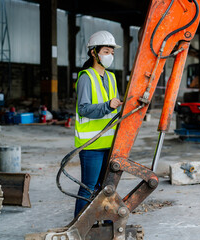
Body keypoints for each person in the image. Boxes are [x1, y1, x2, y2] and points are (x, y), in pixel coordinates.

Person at [74, 31, 123, 217]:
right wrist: (107, 106)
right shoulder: (86, 76)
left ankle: (97, 223)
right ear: (94, 53)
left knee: (104, 189)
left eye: (111, 52)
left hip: (109, 144)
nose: (109, 55)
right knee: (87, 188)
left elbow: (114, 107)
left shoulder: (111, 77)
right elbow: (83, 109)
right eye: (105, 51)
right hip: (91, 144)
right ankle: (78, 227)